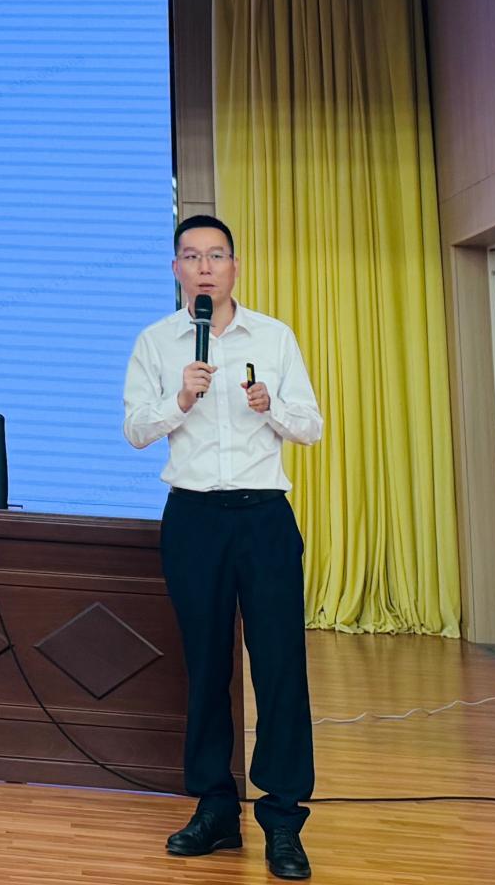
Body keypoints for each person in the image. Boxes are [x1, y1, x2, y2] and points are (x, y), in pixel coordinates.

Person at [122, 214, 324, 881]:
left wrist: (271, 407)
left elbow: (312, 426)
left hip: (263, 518)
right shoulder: (156, 342)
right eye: (191, 256)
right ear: (176, 270)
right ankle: (214, 809)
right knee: (206, 666)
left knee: (280, 668)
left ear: (235, 267)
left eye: (216, 256)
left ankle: (284, 820)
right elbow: (135, 430)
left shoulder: (274, 337)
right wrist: (180, 398)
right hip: (194, 520)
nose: (204, 267)